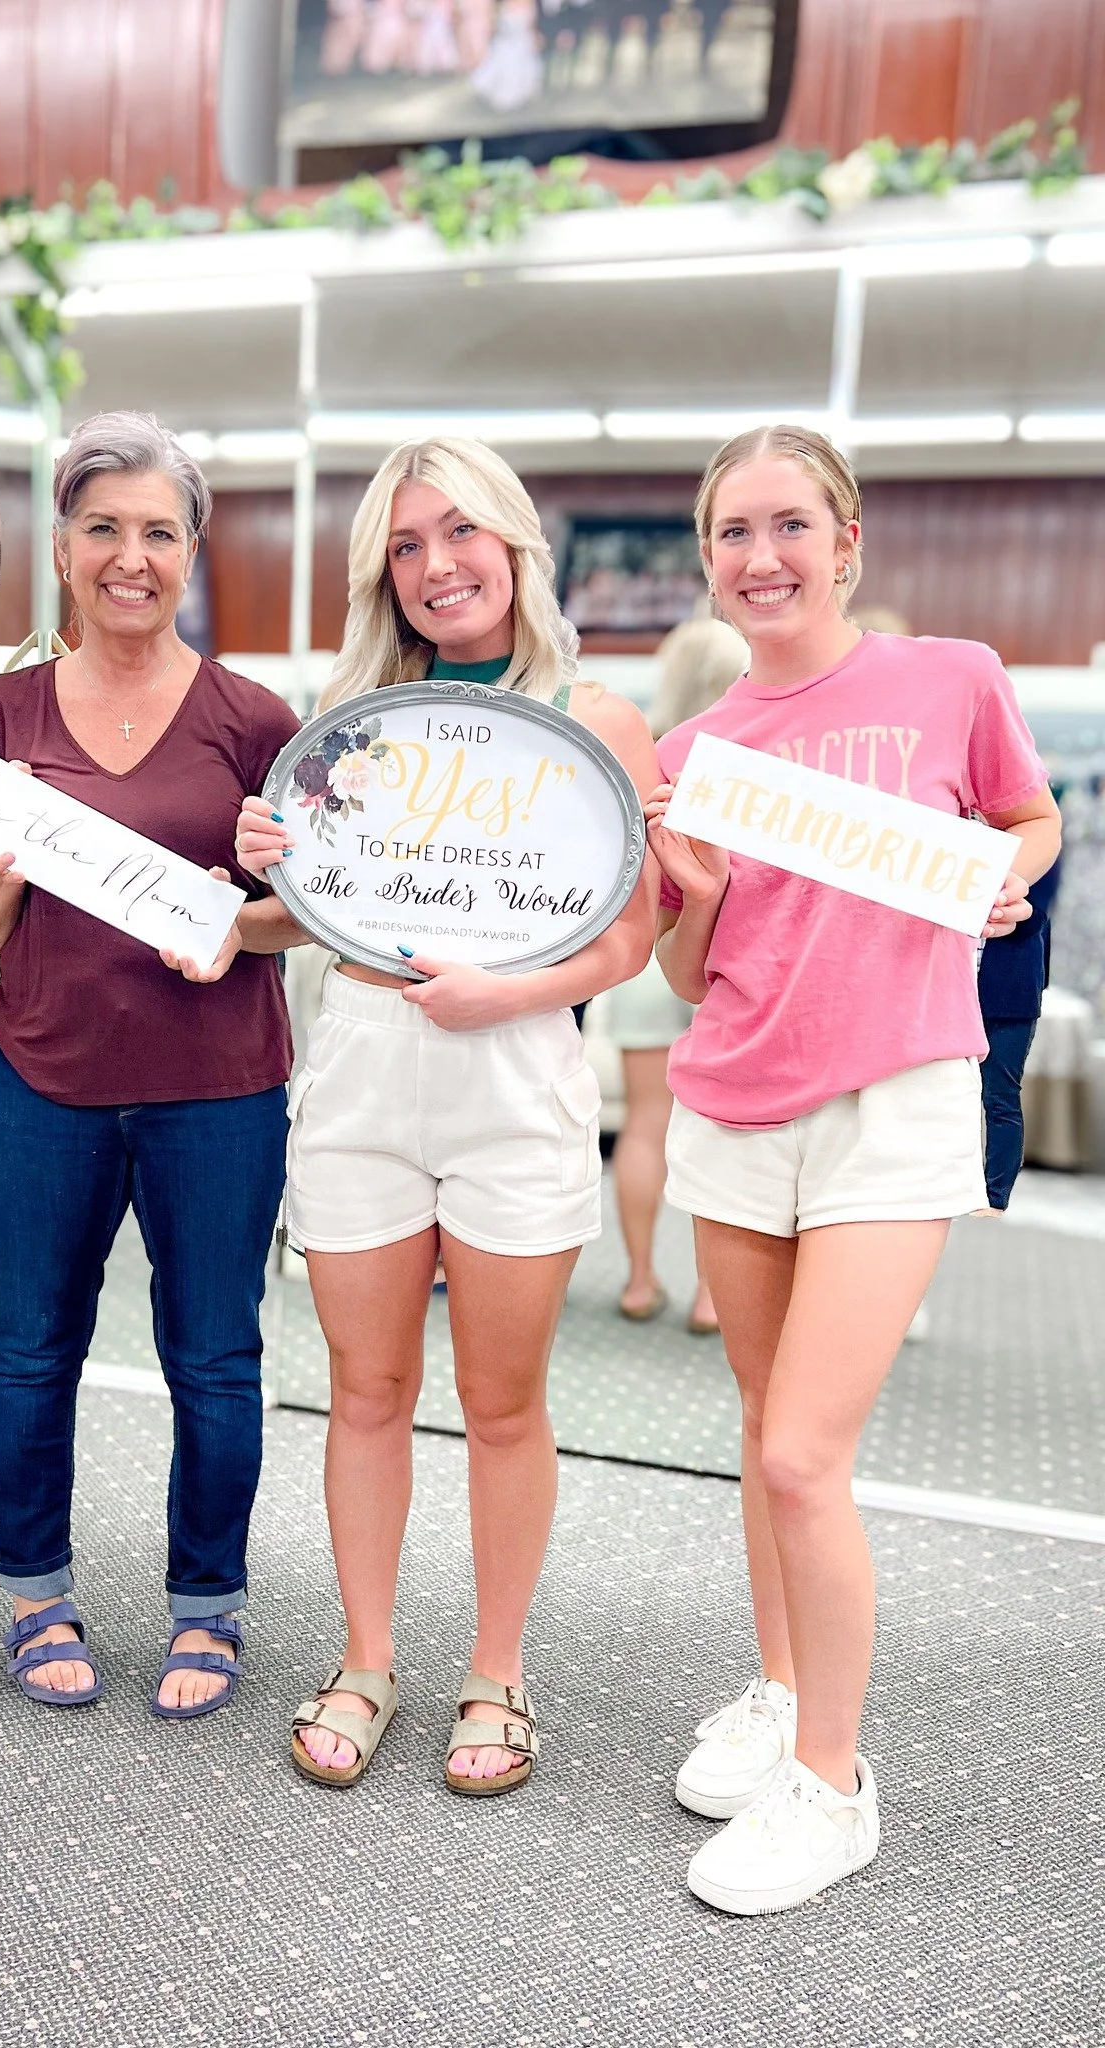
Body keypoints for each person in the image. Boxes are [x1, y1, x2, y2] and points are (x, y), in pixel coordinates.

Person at [644, 424, 1060, 1913]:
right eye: (733, 533)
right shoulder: (691, 756)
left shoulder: (952, 678)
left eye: (789, 525)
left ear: (846, 540)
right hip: (739, 1102)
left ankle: (833, 1781)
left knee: (805, 1456)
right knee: (767, 1429)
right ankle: (781, 1688)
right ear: (709, 564)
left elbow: (1030, 817)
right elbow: (686, 971)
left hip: (895, 1098)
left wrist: (1002, 874)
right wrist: (696, 895)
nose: (762, 557)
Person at [235, 437, 659, 1795]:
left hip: (516, 1068)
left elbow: (631, 939)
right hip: (362, 1064)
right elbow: (311, 915)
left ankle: (498, 1669)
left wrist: (507, 992)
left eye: (461, 532)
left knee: (502, 1399)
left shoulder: (595, 720)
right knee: (365, 1389)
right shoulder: (351, 722)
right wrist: (267, 865)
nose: (437, 566)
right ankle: (366, 1658)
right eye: (406, 546)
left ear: (516, 543)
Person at [0, 411, 300, 1718]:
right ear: (63, 548)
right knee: (32, 1350)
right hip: (43, 1084)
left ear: (192, 550)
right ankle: (35, 1595)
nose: (129, 557)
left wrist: (240, 920)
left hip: (221, 1091)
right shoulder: (2, 712)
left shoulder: (256, 719)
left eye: (157, 531)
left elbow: (307, 912)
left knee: (215, 1359)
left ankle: (209, 1606)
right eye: (102, 529)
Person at [606, 617, 744, 1327]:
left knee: (644, 1123)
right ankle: (712, 1295)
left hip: (641, 952)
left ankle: (638, 1280)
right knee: (720, 1128)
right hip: (729, 957)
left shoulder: (643, 756)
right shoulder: (754, 765)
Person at [977, 848, 1061, 1211]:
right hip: (959, 992)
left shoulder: (1040, 855)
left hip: (1010, 1001)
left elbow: (1037, 918)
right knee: (950, 1092)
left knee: (1000, 1098)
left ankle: (995, 1195)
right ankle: (955, 1185)